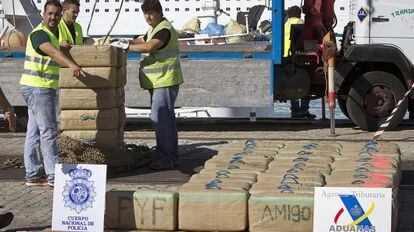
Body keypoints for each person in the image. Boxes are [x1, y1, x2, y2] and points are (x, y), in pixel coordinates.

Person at [110, 0, 183, 170]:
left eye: (151, 13)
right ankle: (172, 156)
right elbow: (143, 39)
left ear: (159, 12)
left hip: (164, 80)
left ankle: (166, 158)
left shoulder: (164, 29)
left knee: (160, 119)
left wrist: (126, 46)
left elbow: (149, 46)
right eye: (145, 13)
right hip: (160, 81)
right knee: (167, 120)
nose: (148, 17)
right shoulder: (154, 28)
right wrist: (124, 40)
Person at [20, 0, 85, 187]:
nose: (53, 17)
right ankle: (54, 176)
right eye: (50, 14)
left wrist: (63, 49)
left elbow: (57, 51)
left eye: (56, 14)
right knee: (49, 131)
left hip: (39, 87)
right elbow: (53, 53)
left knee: (34, 131)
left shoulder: (53, 35)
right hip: (38, 88)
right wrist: (72, 65)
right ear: (43, 13)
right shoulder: (40, 34)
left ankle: (32, 174)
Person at [285, 6, 316, 119]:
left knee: (292, 86)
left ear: (288, 15)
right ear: (299, 14)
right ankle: (303, 110)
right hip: (298, 57)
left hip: (285, 58)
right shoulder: (301, 23)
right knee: (305, 83)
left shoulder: (284, 24)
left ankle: (294, 112)